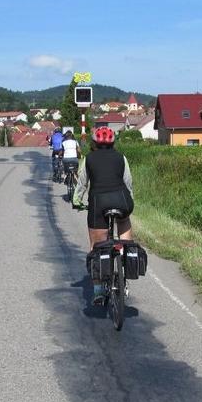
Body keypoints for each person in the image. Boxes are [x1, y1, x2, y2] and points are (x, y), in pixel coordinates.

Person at [73, 126, 134, 304]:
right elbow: (128, 183)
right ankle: (124, 260)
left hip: (99, 204)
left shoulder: (89, 159)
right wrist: (129, 202)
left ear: (94, 143)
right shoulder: (121, 158)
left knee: (96, 246)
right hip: (122, 200)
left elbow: (82, 183)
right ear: (113, 143)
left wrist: (77, 200)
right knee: (124, 221)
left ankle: (99, 291)